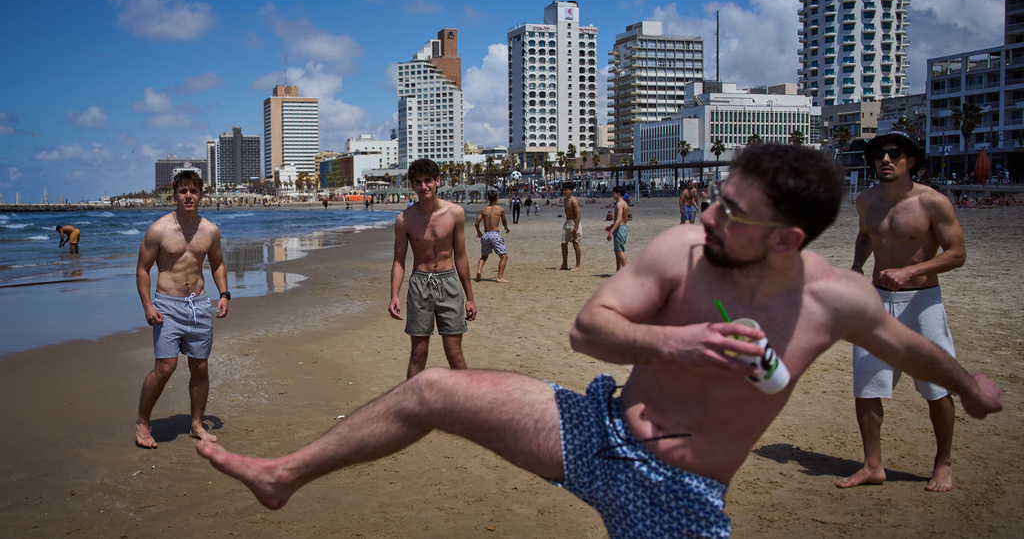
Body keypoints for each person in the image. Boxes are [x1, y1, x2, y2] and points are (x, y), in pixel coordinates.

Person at [196, 144, 1001, 537]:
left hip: (678, 497)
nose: (708, 218)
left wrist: (968, 388)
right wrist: (680, 346)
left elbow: (910, 349)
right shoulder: (685, 249)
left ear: (789, 240)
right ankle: (283, 476)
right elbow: (590, 329)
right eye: (714, 200)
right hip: (597, 430)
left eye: (731, 214)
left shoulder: (840, 300)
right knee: (430, 389)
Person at [837, 130, 968, 492]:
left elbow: (957, 253)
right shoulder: (865, 200)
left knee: (936, 387)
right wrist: (855, 268)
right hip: (878, 303)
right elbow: (866, 237)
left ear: (910, 160)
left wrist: (911, 271)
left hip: (922, 303)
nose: (885, 159)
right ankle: (872, 465)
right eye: (879, 154)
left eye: (894, 153)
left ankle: (943, 463)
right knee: (866, 384)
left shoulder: (933, 202)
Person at [135, 170, 229, 449]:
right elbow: (142, 269)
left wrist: (224, 294)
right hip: (167, 306)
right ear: (174, 195)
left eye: (194, 191)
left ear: (201, 195)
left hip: (199, 305)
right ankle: (142, 422)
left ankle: (196, 425)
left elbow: (217, 264)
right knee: (165, 367)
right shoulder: (159, 230)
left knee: (200, 366)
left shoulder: (210, 230)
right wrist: (147, 305)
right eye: (182, 191)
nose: (188, 196)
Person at [389, 158, 477, 379]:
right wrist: (394, 296)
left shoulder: (455, 213)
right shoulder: (404, 220)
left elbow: (461, 256)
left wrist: (470, 297)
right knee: (418, 354)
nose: (423, 186)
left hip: (450, 282)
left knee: (454, 354)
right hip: (420, 284)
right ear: (412, 185)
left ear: (438, 181)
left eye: (428, 180)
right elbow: (399, 261)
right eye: (418, 182)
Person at [475, 190, 510, 283]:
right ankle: (500, 277)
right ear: (497, 198)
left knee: (483, 257)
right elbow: (504, 220)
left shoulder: (484, 210)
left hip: (485, 235)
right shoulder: (500, 209)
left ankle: (479, 270)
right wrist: (506, 228)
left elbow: (476, 223)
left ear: (488, 199)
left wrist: (479, 232)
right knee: (504, 257)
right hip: (494, 234)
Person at [557, 182, 582, 271]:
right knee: (563, 243)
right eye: (563, 190)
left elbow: (578, 215)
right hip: (567, 222)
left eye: (566, 190)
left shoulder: (574, 201)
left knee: (575, 243)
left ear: (571, 191)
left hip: (574, 222)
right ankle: (564, 264)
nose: (564, 191)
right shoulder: (565, 200)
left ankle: (578, 265)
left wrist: (575, 228)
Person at [605, 186, 630, 271]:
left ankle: (626, 272)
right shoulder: (625, 204)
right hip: (622, 227)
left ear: (618, 194)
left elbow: (619, 219)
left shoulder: (619, 204)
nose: (613, 195)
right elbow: (623, 219)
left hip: (620, 228)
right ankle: (618, 270)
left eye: (614, 193)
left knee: (619, 251)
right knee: (617, 250)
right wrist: (612, 226)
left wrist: (611, 231)